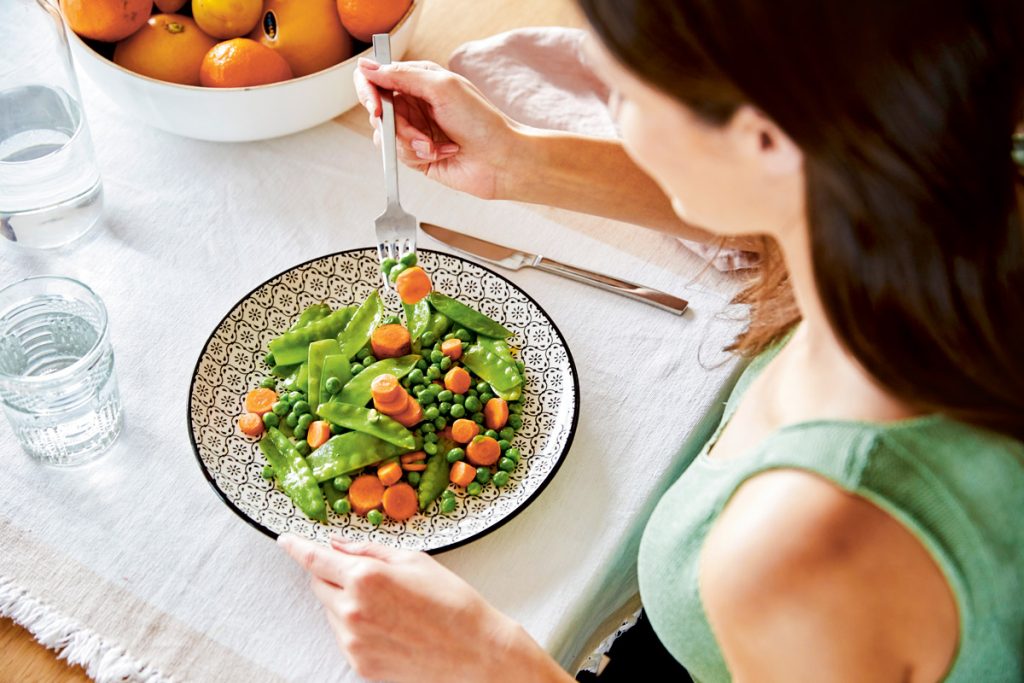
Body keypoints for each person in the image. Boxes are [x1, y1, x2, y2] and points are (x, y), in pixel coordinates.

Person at [277, 0, 1024, 680]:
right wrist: (518, 160)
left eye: (624, 91)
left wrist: (492, 663)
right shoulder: (971, 171)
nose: (604, 98)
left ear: (764, 135)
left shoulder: (802, 544)